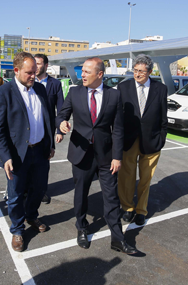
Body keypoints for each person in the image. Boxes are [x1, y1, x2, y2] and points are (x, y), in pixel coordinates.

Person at [56, 57, 137, 254]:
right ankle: (82, 227)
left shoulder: (114, 96)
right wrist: (61, 124)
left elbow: (117, 129)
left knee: (111, 197)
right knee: (81, 193)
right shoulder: (75, 92)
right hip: (81, 153)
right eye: (82, 71)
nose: (82, 74)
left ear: (99, 74)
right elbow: (62, 114)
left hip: (106, 156)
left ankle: (117, 239)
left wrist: (117, 157)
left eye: (86, 71)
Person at [0, 52, 54, 252]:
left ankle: (31, 215)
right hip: (17, 154)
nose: (33, 76)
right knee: (16, 194)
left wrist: (50, 144)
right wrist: (5, 156)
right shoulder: (4, 93)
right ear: (16, 70)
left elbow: (47, 118)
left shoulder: (40, 90)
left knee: (39, 188)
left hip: (40, 151)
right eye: (29, 73)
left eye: (35, 72)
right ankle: (17, 229)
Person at [117, 54, 168, 226]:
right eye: (135, 70)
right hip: (128, 140)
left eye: (141, 71)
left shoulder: (160, 89)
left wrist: (162, 138)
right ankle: (127, 208)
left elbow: (163, 117)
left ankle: (141, 210)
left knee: (146, 179)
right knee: (127, 177)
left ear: (150, 72)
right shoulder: (123, 88)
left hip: (151, 141)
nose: (137, 74)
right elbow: (118, 116)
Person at [34, 54, 65, 204]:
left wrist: (59, 130)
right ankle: (27, 190)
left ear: (46, 65)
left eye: (39, 63)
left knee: (44, 162)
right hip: (30, 128)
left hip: (47, 130)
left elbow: (61, 108)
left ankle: (42, 191)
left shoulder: (55, 84)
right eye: (34, 63)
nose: (36, 66)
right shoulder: (28, 81)